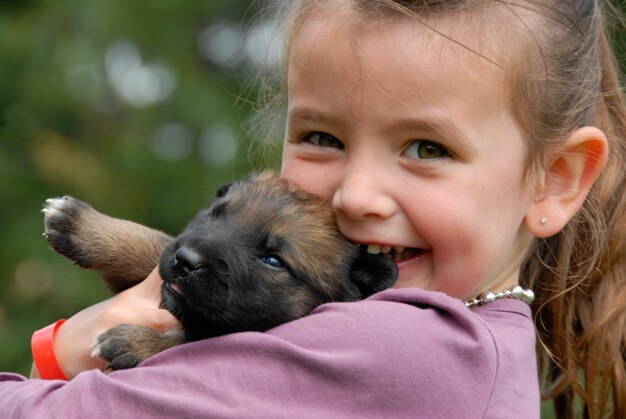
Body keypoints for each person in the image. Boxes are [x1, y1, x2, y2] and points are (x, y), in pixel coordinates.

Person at [1, 0, 625, 417]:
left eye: (426, 148)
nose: (356, 195)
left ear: (554, 182)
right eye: (323, 138)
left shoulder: (409, 353)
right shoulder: (477, 349)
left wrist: (55, 357)